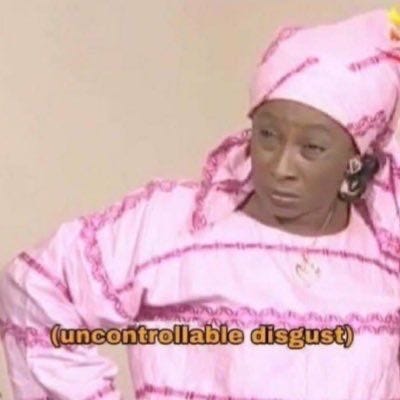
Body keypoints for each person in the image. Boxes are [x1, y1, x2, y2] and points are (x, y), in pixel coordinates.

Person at [1, 6, 400, 400]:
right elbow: (37, 288)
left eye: (311, 148)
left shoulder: (384, 250)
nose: (281, 167)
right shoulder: (172, 225)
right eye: (267, 135)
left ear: (358, 157)